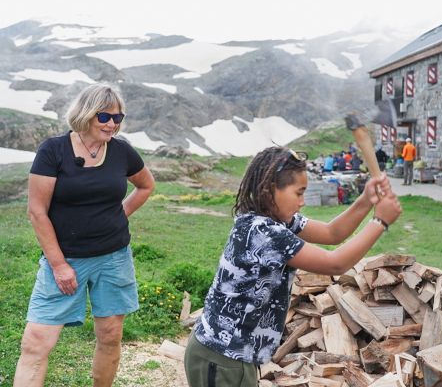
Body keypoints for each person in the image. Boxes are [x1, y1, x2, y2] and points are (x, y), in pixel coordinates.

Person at [184, 146, 401, 387]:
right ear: (270, 190)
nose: (302, 201)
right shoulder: (264, 232)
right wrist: (379, 222)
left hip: (233, 354)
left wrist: (365, 200)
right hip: (221, 356)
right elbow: (336, 263)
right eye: (299, 193)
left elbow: (332, 233)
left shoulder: (275, 220)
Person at [14, 84, 155, 387]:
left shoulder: (121, 151)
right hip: (65, 259)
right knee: (36, 341)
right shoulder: (54, 150)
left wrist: (119, 215)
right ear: (86, 113)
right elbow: (37, 211)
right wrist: (58, 264)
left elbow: (146, 185)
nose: (112, 124)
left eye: (118, 118)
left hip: (114, 257)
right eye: (104, 116)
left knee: (110, 335)